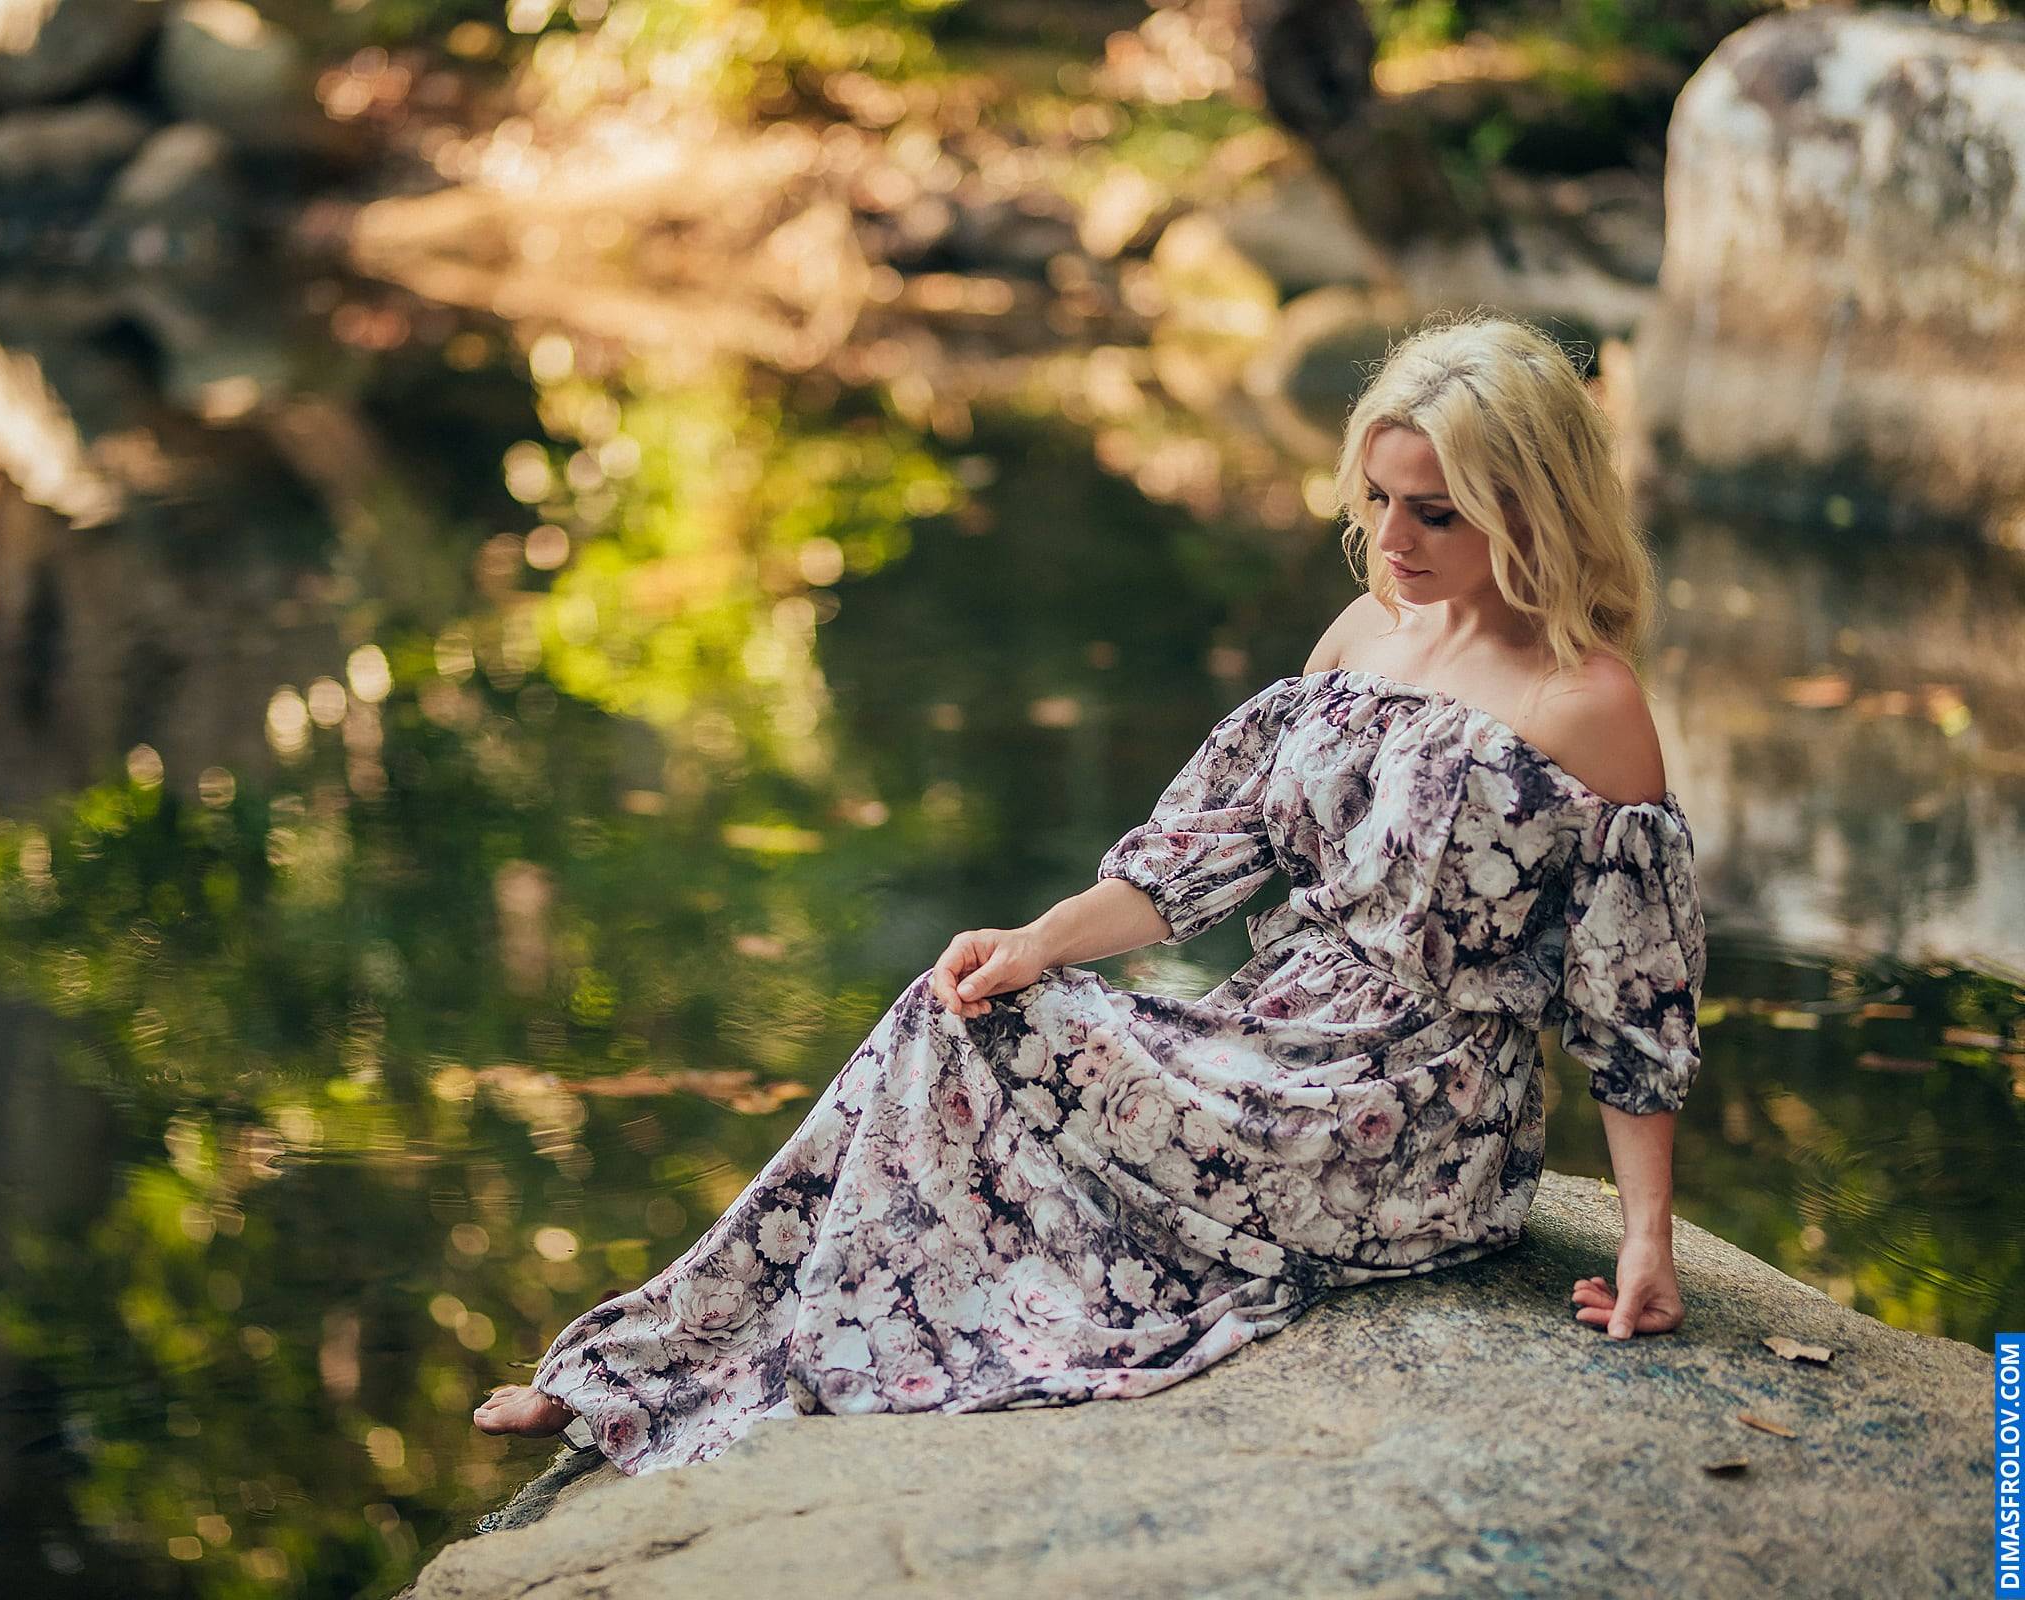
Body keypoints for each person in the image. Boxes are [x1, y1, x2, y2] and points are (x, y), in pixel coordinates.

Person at [472, 310, 1707, 1475]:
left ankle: (718, 1369)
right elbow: (1200, 857)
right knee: (968, 1002)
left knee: (1002, 1053)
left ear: (1530, 506)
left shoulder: (1585, 705)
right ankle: (647, 1365)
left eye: (1435, 513)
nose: (1392, 539)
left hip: (1418, 1119)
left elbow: (1633, 1003)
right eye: (1378, 498)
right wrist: (1039, 938)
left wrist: (1646, 1238)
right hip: (1271, 1034)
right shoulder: (1364, 634)